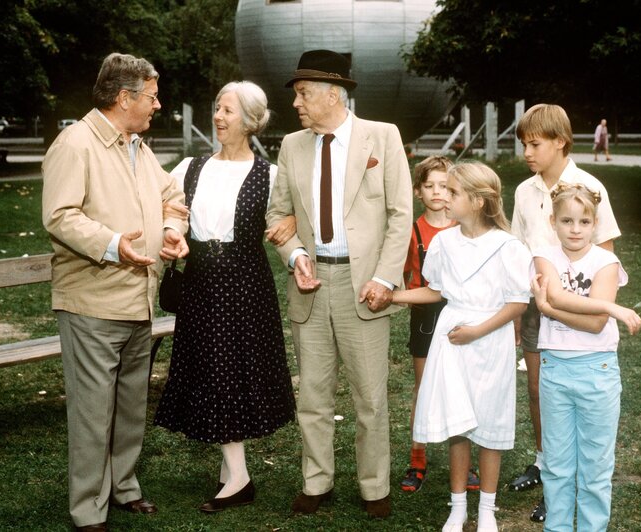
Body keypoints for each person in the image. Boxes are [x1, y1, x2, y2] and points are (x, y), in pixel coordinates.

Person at [41, 52, 188, 531]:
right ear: (124, 98)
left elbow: (172, 194)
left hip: (138, 302)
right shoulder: (76, 143)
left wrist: (169, 227)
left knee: (129, 407)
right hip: (92, 303)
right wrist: (112, 245)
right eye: (151, 96)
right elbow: (61, 216)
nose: (158, 105)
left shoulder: (136, 145)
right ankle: (88, 509)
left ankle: (124, 487)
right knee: (92, 412)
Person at [266, 49, 413, 518]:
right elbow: (276, 213)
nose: (296, 104)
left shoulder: (382, 137)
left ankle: (375, 489)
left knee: (370, 397)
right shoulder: (292, 146)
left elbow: (400, 215)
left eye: (304, 94)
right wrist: (295, 257)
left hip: (364, 284)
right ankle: (317, 482)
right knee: (312, 394)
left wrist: (385, 277)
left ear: (335, 94)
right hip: (312, 284)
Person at [153, 81, 297, 513]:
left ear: (251, 121)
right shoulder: (190, 168)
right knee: (212, 370)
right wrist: (172, 234)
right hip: (201, 283)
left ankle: (237, 476)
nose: (218, 116)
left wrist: (293, 234)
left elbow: (290, 220)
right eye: (216, 107)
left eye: (228, 110)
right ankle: (234, 471)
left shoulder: (269, 177)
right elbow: (172, 213)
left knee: (233, 372)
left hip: (246, 286)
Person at [392, 161, 531, 532]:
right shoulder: (443, 242)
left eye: (453, 193)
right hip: (452, 340)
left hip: (489, 340)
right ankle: (458, 507)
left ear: (478, 201)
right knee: (459, 423)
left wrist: (478, 330)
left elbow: (517, 301)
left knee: (489, 422)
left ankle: (487, 507)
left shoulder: (508, 246)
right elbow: (435, 289)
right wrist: (395, 297)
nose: (445, 199)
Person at [511, 103, 622, 523]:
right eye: (523, 144)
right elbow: (519, 249)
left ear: (560, 141)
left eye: (535, 143)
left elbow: (604, 250)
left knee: (575, 392)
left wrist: (576, 300)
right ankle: (549, 467)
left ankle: (571, 482)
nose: (527, 152)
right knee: (541, 390)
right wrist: (524, 306)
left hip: (578, 305)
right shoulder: (524, 191)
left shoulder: (588, 186)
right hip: (536, 302)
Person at [531, 182, 641, 531]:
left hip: (598, 370)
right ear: (553, 222)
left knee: (595, 467)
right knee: (557, 465)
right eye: (566, 221)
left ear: (595, 224)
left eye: (583, 222)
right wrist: (610, 306)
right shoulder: (543, 255)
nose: (575, 230)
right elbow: (561, 296)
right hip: (555, 369)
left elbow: (594, 324)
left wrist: (548, 307)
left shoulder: (607, 261)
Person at [400, 156, 481, 494]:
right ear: (418, 191)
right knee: (425, 387)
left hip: (462, 314)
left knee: (464, 388)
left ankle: (466, 463)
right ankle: (417, 459)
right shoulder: (413, 229)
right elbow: (406, 276)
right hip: (426, 316)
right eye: (429, 186)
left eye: (444, 187)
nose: (438, 193)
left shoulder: (466, 227)